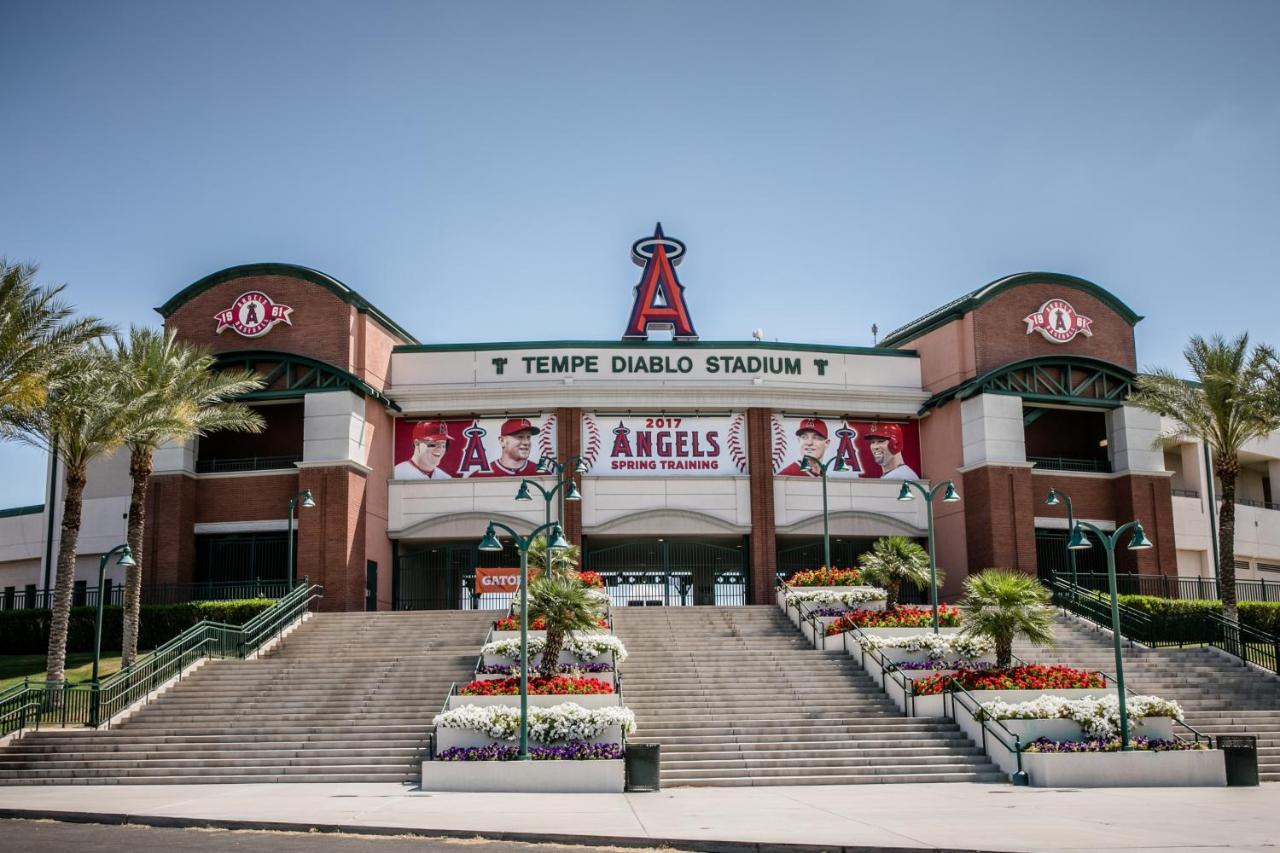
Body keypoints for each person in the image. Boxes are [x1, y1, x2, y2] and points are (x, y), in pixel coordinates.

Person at [469, 417, 542, 477]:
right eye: (520, 437)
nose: (526, 442)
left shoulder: (541, 472)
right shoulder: (481, 475)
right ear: (502, 441)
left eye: (528, 437)